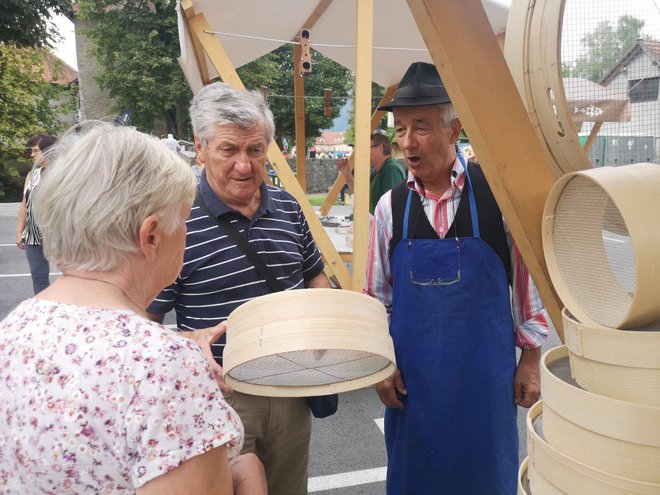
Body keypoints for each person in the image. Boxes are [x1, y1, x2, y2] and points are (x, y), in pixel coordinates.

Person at [0, 123, 266, 494]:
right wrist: (248, 476)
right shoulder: (165, 365)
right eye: (185, 222)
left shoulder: (14, 329)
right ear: (151, 236)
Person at [365, 62, 550, 494]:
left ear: (454, 129)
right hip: (413, 383)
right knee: (415, 478)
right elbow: (376, 300)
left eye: (421, 127)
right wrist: (381, 366)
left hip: (485, 380)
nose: (407, 142)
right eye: (400, 129)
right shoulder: (391, 208)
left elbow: (527, 288)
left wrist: (530, 360)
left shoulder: (496, 197)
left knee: (485, 476)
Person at [147, 82, 331, 495]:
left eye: (255, 150)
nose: (244, 166)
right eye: (229, 150)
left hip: (292, 386)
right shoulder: (176, 219)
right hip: (220, 398)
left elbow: (314, 276)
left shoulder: (287, 205)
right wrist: (185, 340)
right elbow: (142, 321)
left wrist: (331, 323)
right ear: (201, 146)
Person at [15, 134, 57, 294]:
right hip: (33, 235)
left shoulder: (63, 174)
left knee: (73, 276)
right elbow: (25, 204)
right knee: (39, 279)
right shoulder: (32, 175)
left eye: (35, 151)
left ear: (48, 151)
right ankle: (43, 313)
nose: (32, 155)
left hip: (58, 235)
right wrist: (19, 231)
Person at [337, 131, 406, 214]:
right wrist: (347, 174)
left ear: (380, 148)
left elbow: (392, 208)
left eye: (367, 147)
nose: (364, 152)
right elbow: (361, 193)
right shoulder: (379, 172)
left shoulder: (391, 170)